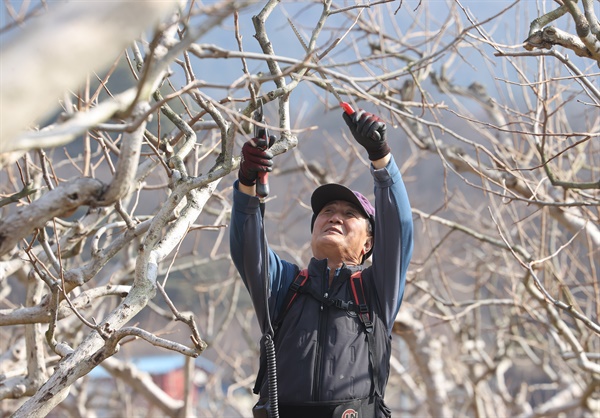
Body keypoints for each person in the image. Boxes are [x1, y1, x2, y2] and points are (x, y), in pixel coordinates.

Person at [230, 109, 414, 418]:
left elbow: (400, 227)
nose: (335, 217)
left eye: (349, 214)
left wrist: (380, 157)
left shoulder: (375, 289)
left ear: (369, 243)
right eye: (327, 211)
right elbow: (247, 248)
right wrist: (247, 181)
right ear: (314, 229)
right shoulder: (285, 284)